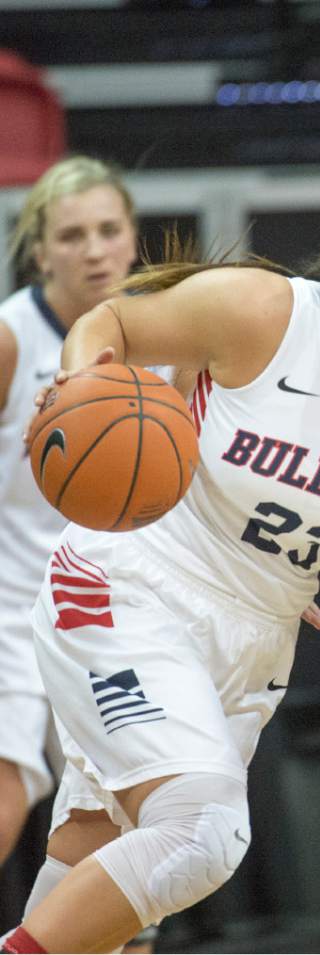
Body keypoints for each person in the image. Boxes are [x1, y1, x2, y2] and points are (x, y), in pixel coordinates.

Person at [0, 185, 320, 954]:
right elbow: (111, 323)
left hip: (256, 641)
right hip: (130, 586)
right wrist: (79, 388)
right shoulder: (265, 313)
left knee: (112, 885)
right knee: (204, 829)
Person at [0, 156, 138, 867]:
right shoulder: (11, 336)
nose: (94, 249)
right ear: (39, 250)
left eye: (109, 229)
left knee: (129, 838)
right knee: (5, 787)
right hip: (13, 605)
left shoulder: (168, 338)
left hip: (120, 613)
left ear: (132, 235)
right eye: (72, 234)